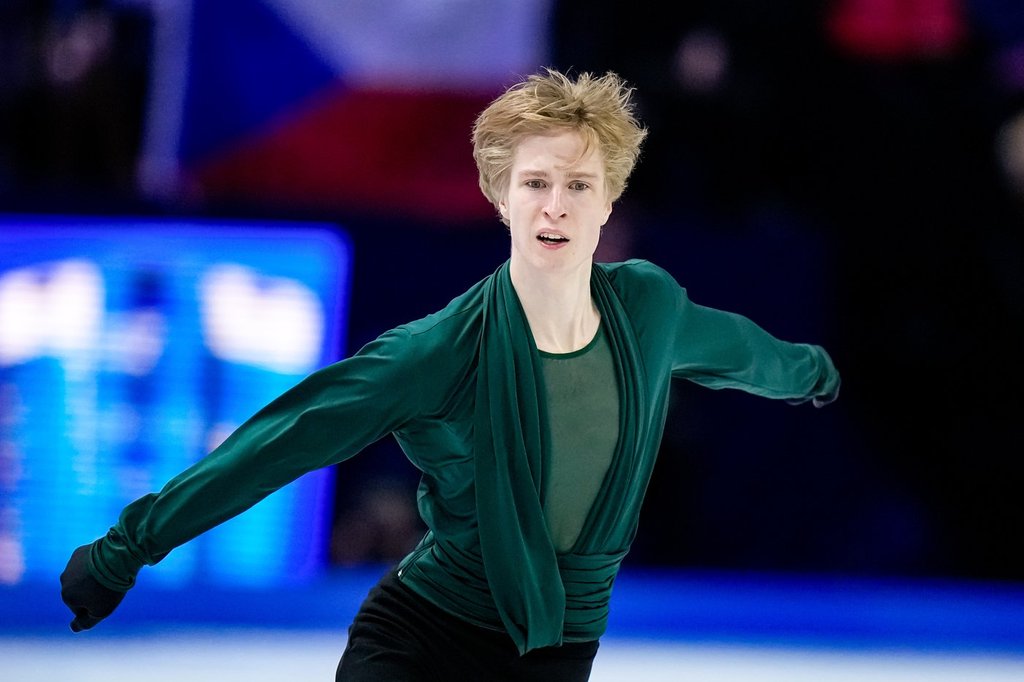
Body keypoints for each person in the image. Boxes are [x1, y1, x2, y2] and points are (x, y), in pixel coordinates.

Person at [60, 67, 840, 681]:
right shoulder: (437, 352)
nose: (556, 208)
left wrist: (812, 372)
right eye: (536, 183)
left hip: (553, 660)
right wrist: (127, 548)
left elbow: (739, 351)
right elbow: (280, 440)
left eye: (580, 186)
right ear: (499, 197)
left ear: (610, 203)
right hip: (420, 643)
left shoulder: (648, 307)